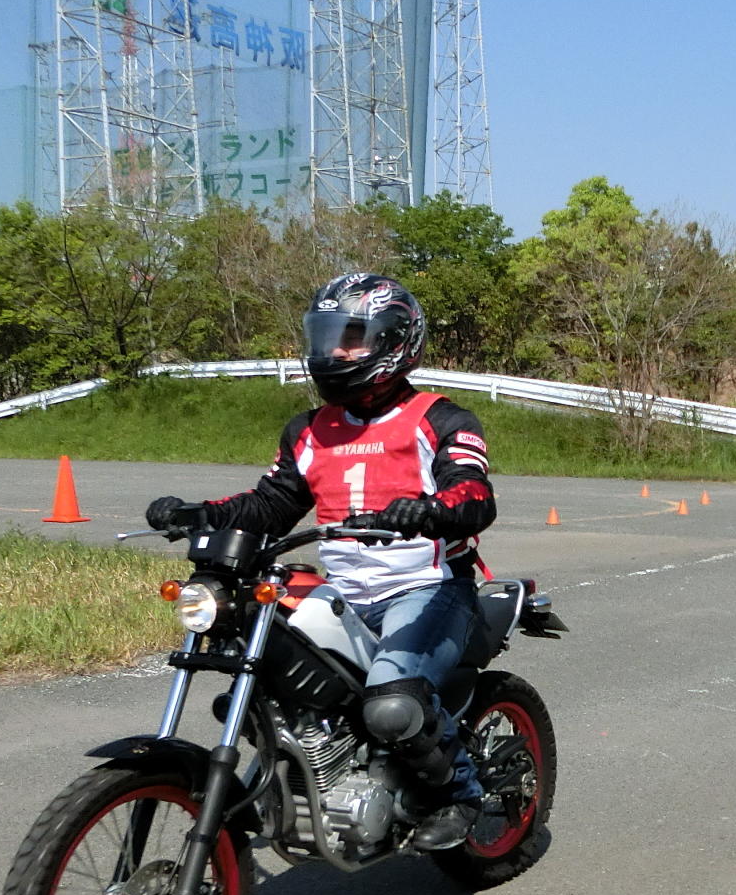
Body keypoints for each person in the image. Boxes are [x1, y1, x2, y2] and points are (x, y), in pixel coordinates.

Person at [144, 273, 497, 852]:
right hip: (346, 591)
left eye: (351, 338)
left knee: (390, 703)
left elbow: (475, 494)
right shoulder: (309, 430)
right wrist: (199, 513)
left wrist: (429, 510)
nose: (332, 352)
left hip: (429, 588)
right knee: (261, 671)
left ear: (394, 341)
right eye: (326, 337)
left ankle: (458, 793)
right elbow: (271, 504)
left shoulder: (441, 419)